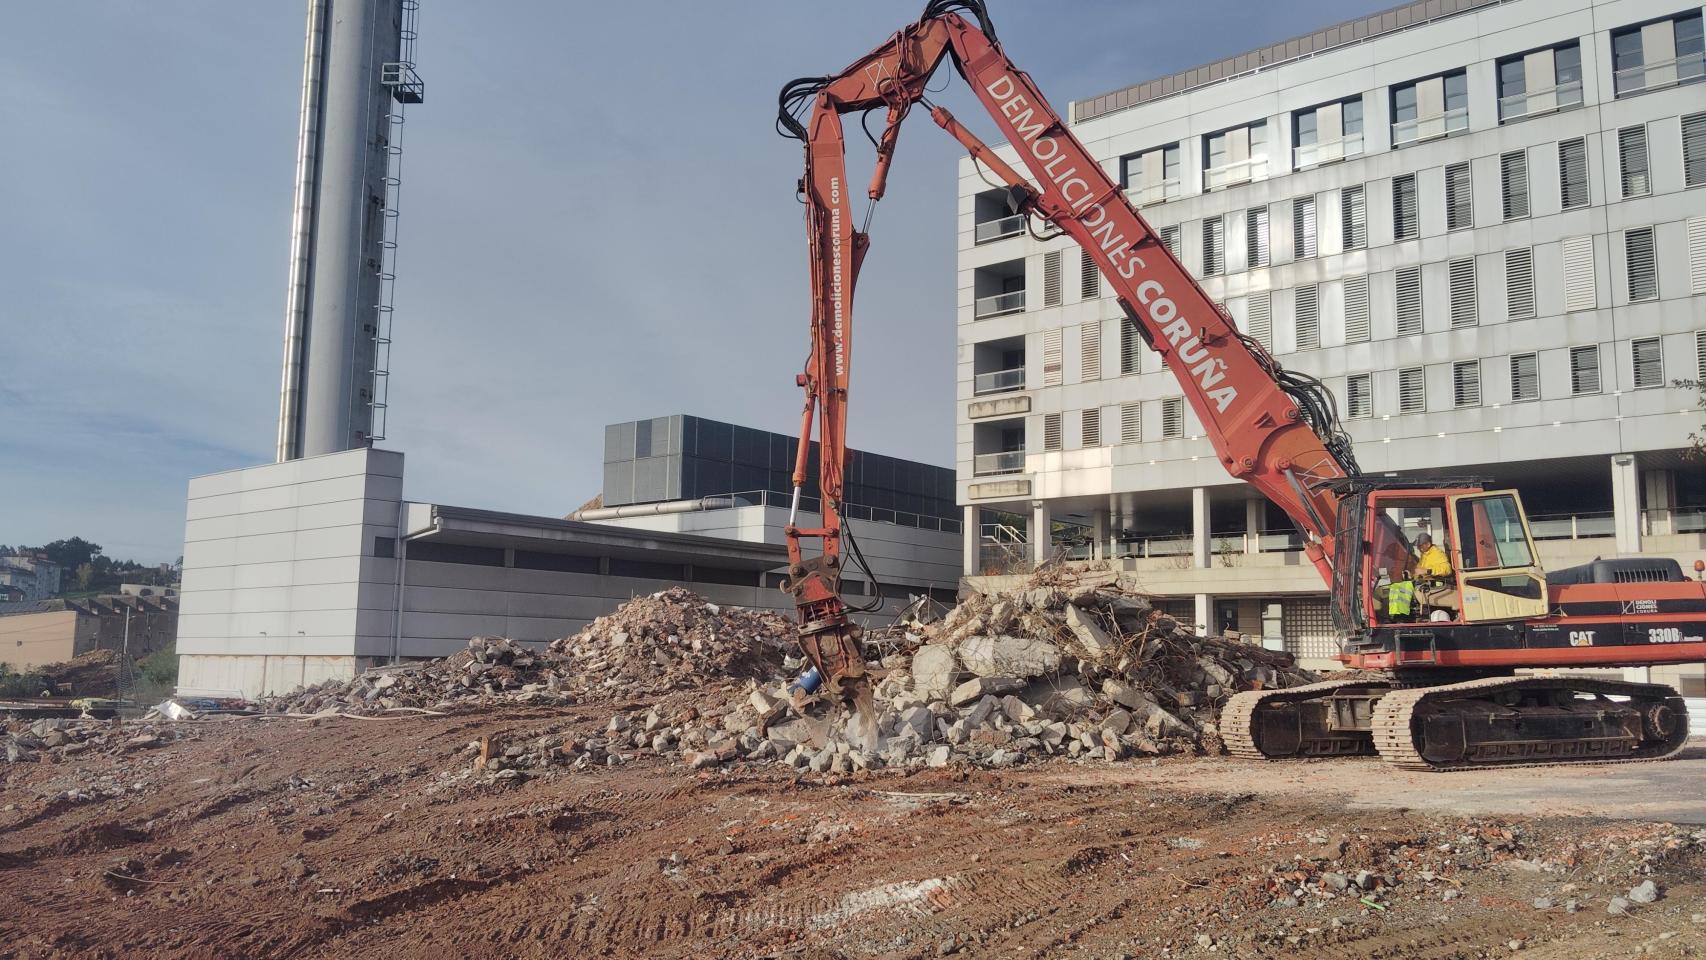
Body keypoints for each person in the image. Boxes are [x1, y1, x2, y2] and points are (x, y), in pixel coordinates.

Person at [1414, 532, 1456, 613]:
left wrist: (1428, 571)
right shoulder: (1424, 555)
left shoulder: (1437, 553)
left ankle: (1401, 617)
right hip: (1426, 582)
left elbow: (1447, 569)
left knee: (1404, 589)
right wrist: (1412, 576)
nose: (1418, 548)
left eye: (1420, 546)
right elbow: (1419, 571)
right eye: (1418, 546)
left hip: (1437, 583)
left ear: (1428, 544)